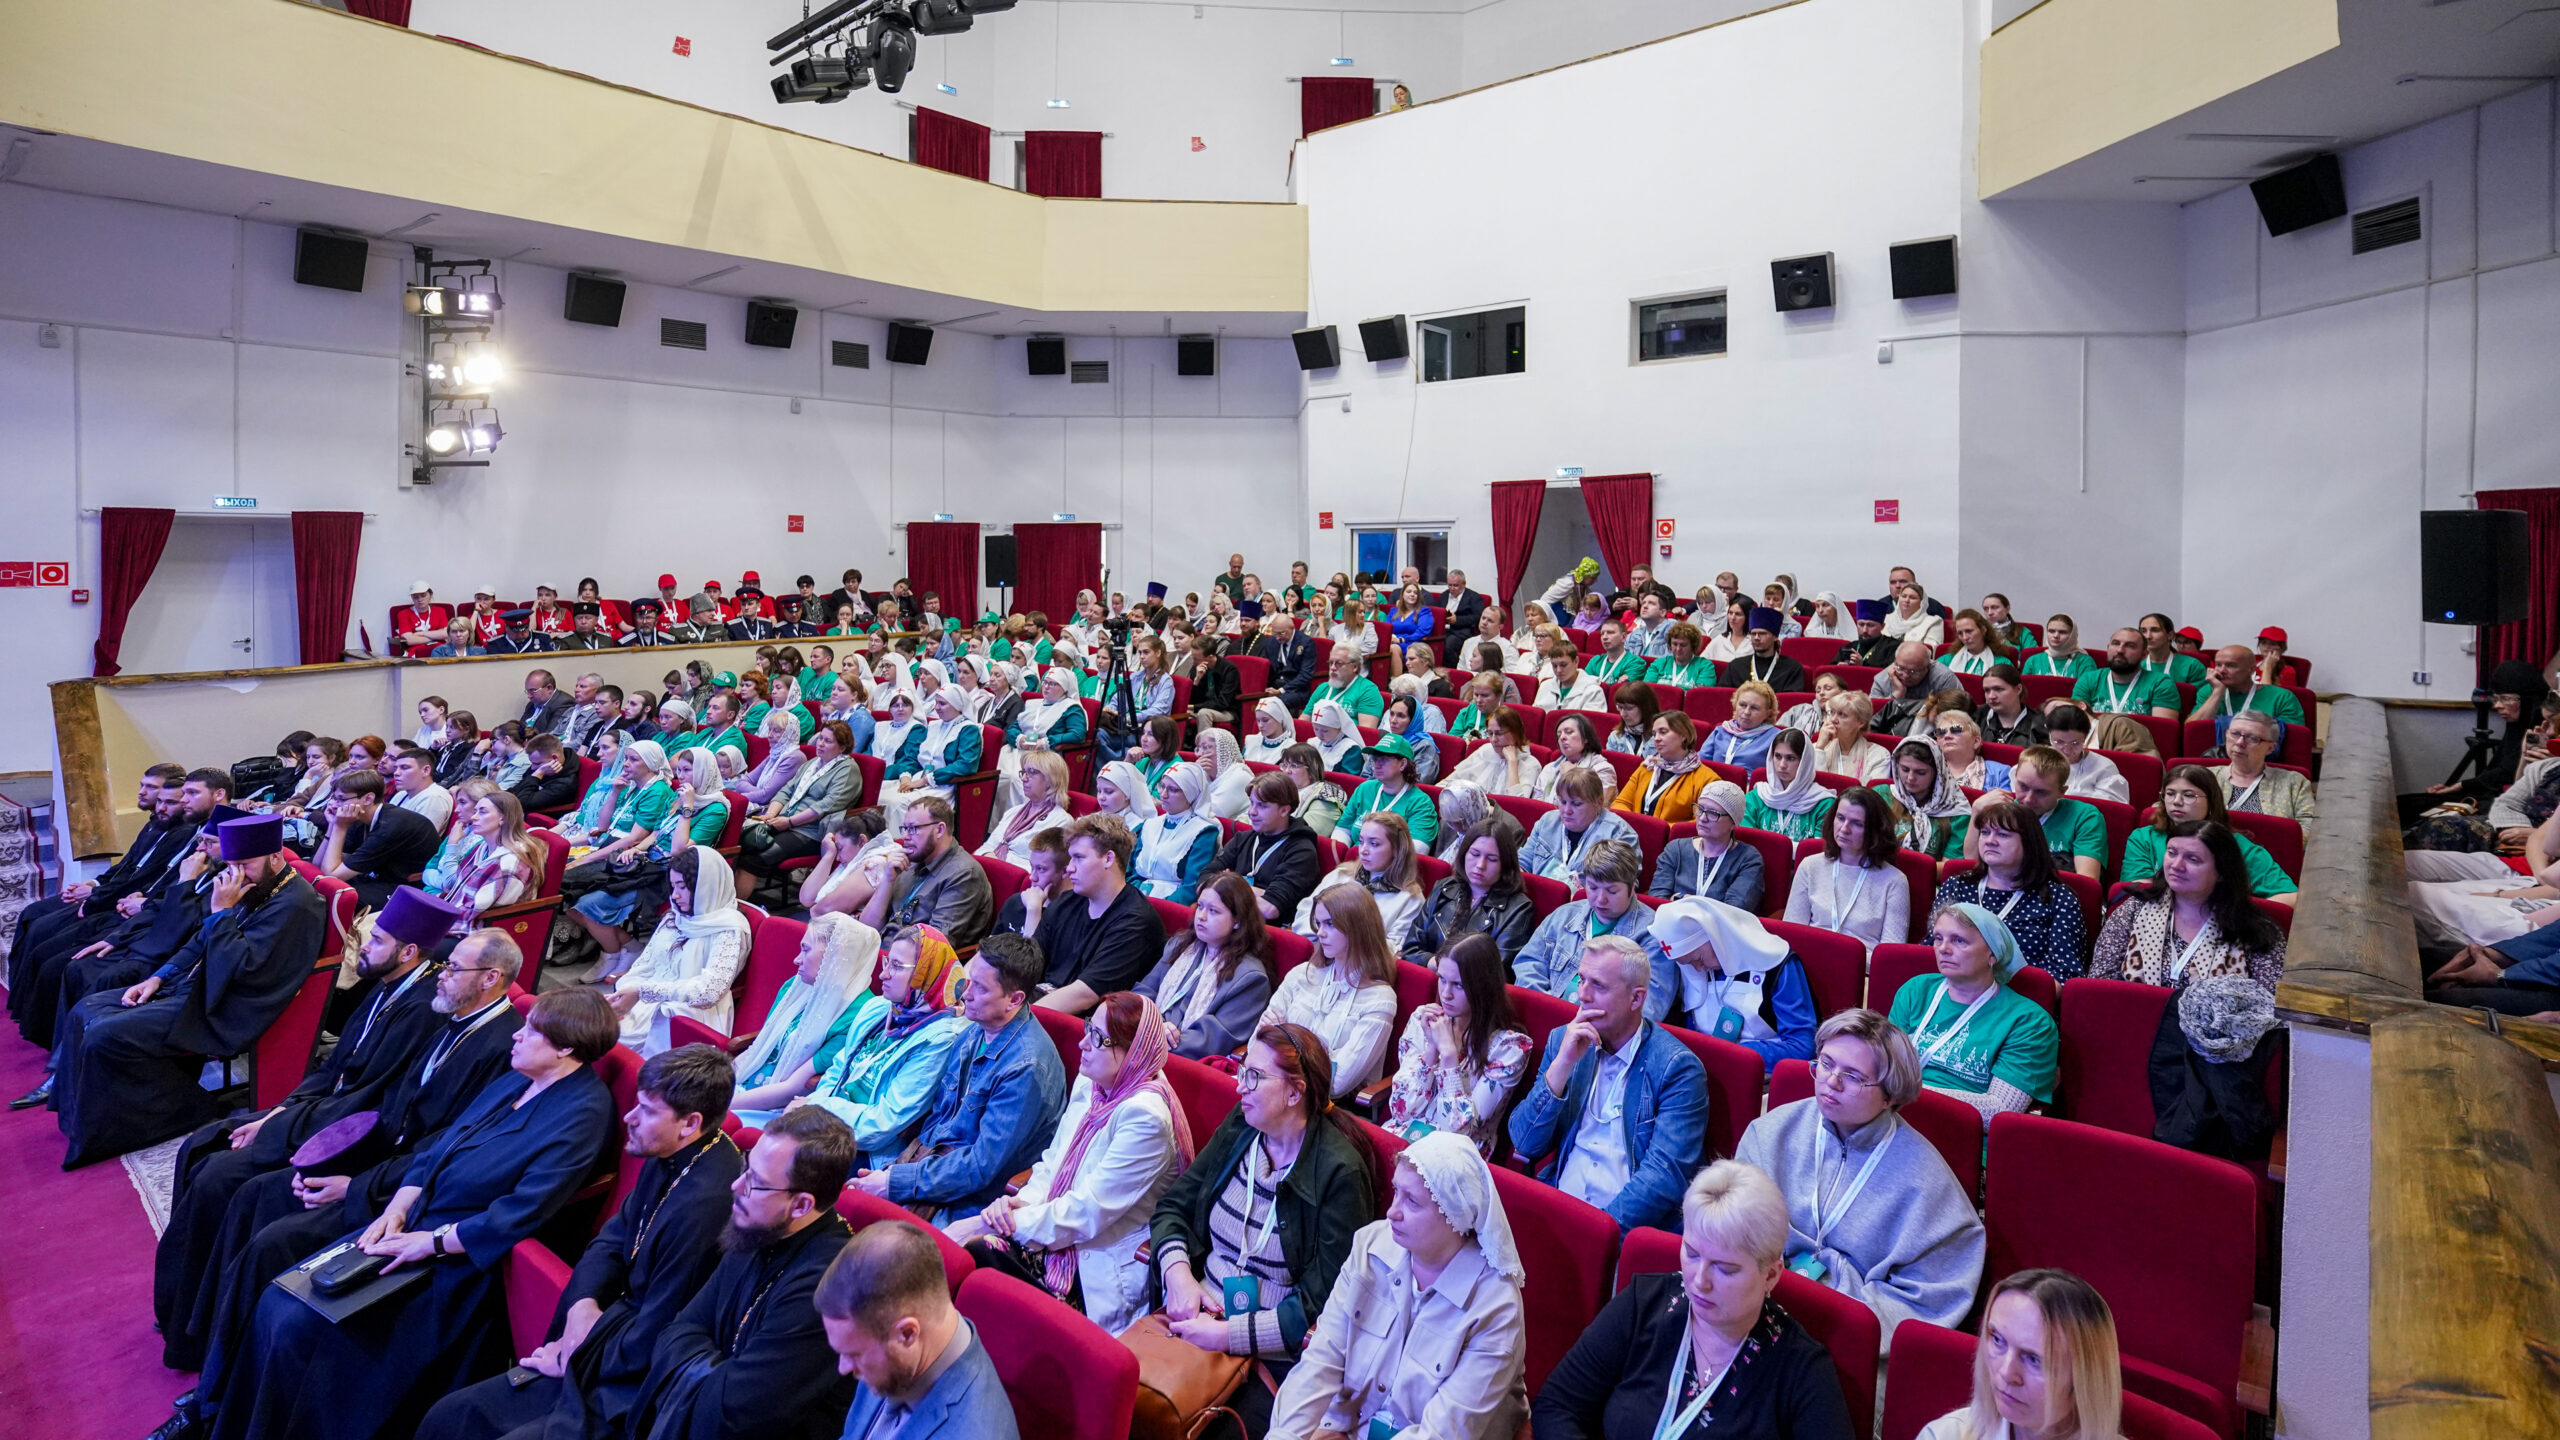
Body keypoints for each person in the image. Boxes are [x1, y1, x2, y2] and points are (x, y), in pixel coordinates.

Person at [193, 988, 622, 1440]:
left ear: (565, 1048)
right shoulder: (517, 1080)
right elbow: (436, 1151)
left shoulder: (583, 1114)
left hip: (460, 1261)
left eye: (531, 1031)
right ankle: (220, 1419)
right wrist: (396, 1209)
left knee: (300, 1328)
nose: (517, 1035)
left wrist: (430, 1242)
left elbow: (521, 1212)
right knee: (279, 1298)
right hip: (414, 1220)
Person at [153, 888, 459, 1363]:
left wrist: (278, 1129)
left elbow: (363, 1098)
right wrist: (276, 1113)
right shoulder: (383, 987)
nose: (363, 945)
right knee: (203, 1145)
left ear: (408, 952)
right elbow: (332, 1070)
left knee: (219, 1177)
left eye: (376, 939)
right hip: (317, 1112)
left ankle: (203, 1327)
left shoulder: (420, 1011)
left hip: (343, 1136)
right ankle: (183, 1307)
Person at [413, 1045, 743, 1440]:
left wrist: (577, 1351)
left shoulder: (708, 1204)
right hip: (603, 1330)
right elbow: (611, 1240)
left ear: (690, 1123)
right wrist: (581, 1307)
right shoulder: (672, 1150)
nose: (629, 1117)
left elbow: (661, 1323)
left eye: (646, 1110)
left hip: (628, 1377)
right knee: (450, 1415)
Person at [45, 815, 329, 1167]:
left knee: (107, 1035)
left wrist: (221, 912)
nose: (237, 874)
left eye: (245, 865)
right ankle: (77, 1119)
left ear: (274, 857)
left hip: (230, 1006)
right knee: (87, 1007)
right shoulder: (256, 885)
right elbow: (199, 940)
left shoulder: (297, 904)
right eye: (232, 865)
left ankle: (185, 1110)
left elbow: (245, 968)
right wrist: (159, 977)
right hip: (199, 986)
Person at [1148, 1023, 1373, 1437]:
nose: (1239, 1087)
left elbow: (1321, 1303)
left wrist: (1225, 1335)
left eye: (1254, 1076)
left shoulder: (1339, 1171)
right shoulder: (1243, 1125)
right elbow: (1173, 1208)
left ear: (1295, 1092)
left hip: (1271, 1351)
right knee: (1123, 1402)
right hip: (1194, 1312)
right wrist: (1178, 1277)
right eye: (1242, 1071)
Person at [1533, 1159, 1859, 1440]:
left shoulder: (1801, 1369)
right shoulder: (1644, 1303)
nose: (1699, 1281)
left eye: (1725, 1268)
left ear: (1771, 1275)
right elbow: (1557, 1405)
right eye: (1691, 1253)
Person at [948, 991, 1196, 1335]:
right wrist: (1020, 1204)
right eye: (1088, 1029)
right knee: (971, 1258)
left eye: (1099, 1038)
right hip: (1056, 1223)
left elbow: (1087, 1212)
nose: (1083, 1044)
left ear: (1133, 1053)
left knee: (980, 1255)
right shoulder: (1095, 1082)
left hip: (1094, 1259)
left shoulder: (1146, 1117)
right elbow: (1055, 1162)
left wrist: (1000, 1223)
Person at [1732, 1008, 1986, 1337]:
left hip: (1851, 1332)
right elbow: (1735, 1230)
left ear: (1889, 1096)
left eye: (1853, 1076)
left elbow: (1926, 1299)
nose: (1831, 1082)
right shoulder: (1772, 1133)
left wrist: (1838, 1327)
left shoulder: (1927, 1184)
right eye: (1826, 1063)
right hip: (1758, 1303)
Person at [1268, 1130, 1530, 1440]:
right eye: (1396, 1191)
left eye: (1412, 1202)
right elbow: (1322, 1359)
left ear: (1455, 1216)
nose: (1392, 1212)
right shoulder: (1371, 1245)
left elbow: (1445, 1432)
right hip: (1350, 1423)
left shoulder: (1495, 1306)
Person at [851, 934, 1069, 1223]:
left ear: (1014, 999)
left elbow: (982, 1167)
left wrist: (897, 1182)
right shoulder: (972, 1032)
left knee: (870, 1232)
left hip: (977, 1199)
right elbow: (938, 1121)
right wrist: (897, 1170)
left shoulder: (1027, 1068)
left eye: (980, 988)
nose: (966, 994)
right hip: (935, 1167)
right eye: (969, 980)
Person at [1508, 935, 1707, 1232]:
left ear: (1636, 999)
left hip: (1624, 1229)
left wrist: (1597, 1232)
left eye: (1598, 986)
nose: (1582, 995)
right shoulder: (1564, 1041)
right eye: (1581, 980)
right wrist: (1562, 1066)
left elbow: (1663, 1178)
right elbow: (1524, 1143)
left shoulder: (1676, 1068)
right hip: (1559, 1205)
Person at [824, 1221, 1021, 1440]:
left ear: (907, 1334)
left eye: (854, 1354)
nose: (843, 1368)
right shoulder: (891, 1336)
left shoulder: (973, 1432)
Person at [795, 925, 971, 1160]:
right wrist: (814, 1108)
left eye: (897, 966)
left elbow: (881, 1126)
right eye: (887, 962)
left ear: (926, 973)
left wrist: (816, 1109)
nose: (883, 975)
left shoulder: (941, 1040)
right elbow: (838, 1071)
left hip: (867, 1153)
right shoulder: (878, 1008)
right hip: (826, 1128)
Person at [1887, 906, 2062, 1120]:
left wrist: (1906, 1093)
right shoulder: (1916, 990)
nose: (1943, 948)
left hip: (1960, 1130)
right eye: (1938, 938)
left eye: (1959, 940)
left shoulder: (2030, 1022)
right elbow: (1886, 1068)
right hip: (1892, 1115)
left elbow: (1998, 1111)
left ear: (1993, 954)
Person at [1918, 1269, 2127, 1440]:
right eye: (1997, 1340)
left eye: (2034, 1359)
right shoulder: (1944, 1436)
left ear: (2085, 1379)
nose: (2006, 1373)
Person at [2094, 820, 2289, 993]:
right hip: (2133, 1019)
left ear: (2222, 872)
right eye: (2172, 853)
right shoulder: (2133, 910)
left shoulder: (2255, 930)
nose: (2176, 865)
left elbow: (2270, 1008)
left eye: (2193, 859)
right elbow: (2099, 985)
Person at [728, 913, 882, 1126]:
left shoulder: (857, 1015)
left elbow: (793, 1088)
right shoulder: (796, 986)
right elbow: (761, 1045)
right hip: (748, 1085)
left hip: (785, 1109)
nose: (797, 959)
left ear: (835, 953)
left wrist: (722, 1104)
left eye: (806, 950)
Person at [1383, 934, 1532, 1153]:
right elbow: (1401, 1111)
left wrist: (1448, 1056)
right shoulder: (1424, 1019)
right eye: (1442, 979)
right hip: (1403, 1139)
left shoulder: (1510, 1048)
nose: (1446, 994)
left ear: (1484, 987)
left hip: (1454, 1157)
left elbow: (1458, 1132)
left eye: (1458, 985)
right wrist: (1431, 1051)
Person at [1645, 897, 1818, 1070]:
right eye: (1688, 964)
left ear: (1715, 937)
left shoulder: (1777, 964)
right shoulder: (1692, 966)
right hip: (1707, 1064)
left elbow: (1802, 1047)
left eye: (1698, 959)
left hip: (1760, 1068)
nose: (1697, 969)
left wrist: (1731, 1053)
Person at [608, 846, 749, 1055]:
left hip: (689, 1012)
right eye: (673, 886)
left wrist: (641, 991)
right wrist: (623, 994)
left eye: (682, 887)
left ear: (706, 886)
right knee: (591, 1023)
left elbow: (708, 992)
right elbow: (644, 965)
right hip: (650, 1000)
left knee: (606, 1039)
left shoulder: (729, 928)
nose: (674, 896)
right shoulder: (674, 917)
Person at [1266, 884, 1402, 1093]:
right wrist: (1320, 1057)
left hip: (1325, 1104)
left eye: (1330, 924)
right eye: (1319, 924)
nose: (1320, 933)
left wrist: (1281, 1040)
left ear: (1357, 927)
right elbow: (1258, 1044)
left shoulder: (1379, 999)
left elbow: (1336, 1083)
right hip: (1274, 1088)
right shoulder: (1303, 974)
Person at [1935, 798, 2089, 979]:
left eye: (2003, 835)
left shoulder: (2058, 898)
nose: (1990, 841)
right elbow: (1931, 948)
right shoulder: (1957, 886)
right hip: (1952, 986)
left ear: (2029, 843)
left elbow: (2064, 974)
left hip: (2021, 994)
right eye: (1985, 832)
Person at [1032, 813, 1169, 1016]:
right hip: (1044, 1004)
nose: (1069, 868)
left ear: (1108, 859)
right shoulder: (1067, 901)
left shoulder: (1136, 921)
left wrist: (1016, 1018)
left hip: (1081, 1024)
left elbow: (1085, 995)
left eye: (1079, 857)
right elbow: (1029, 960)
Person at [1135, 871, 1280, 1058]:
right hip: (1145, 1037)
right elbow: (1144, 992)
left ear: (1237, 921)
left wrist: (1153, 1037)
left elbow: (1211, 1041)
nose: (1201, 916)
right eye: (1200, 906)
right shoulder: (1179, 945)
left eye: (1213, 911)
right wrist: (1148, 1025)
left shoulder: (1250, 978)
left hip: (1179, 1058)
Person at [2122, 765, 2299, 902]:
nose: (2176, 801)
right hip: (2157, 925)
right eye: (2170, 793)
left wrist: (2240, 913)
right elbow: (2137, 891)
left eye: (2189, 795)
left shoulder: (2238, 846)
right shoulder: (2144, 838)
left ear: (2211, 802)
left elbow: (2290, 897)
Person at [1514, 839, 1656, 1000]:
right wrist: (1547, 1006)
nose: (1600, 899)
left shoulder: (1651, 934)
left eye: (1612, 891)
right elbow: (1528, 963)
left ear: (1632, 889)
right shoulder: (1564, 915)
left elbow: (1649, 1003)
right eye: (1593, 887)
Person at [858, 796, 996, 950]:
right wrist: (887, 880)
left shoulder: (964, 874)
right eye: (905, 828)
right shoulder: (911, 862)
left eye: (913, 828)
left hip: (907, 960)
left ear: (940, 830)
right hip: (879, 950)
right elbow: (866, 927)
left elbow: (934, 947)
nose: (905, 836)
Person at [1785, 787, 1912, 950]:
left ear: (1875, 830)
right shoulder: (1810, 866)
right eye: (1840, 818)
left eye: (1857, 823)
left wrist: (1850, 959)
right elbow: (1791, 935)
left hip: (1864, 965)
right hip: (1810, 960)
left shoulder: (1895, 881)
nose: (1844, 829)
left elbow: (1890, 954)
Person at [1402, 819, 1537, 964]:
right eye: (1475, 854)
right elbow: (1410, 950)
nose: (1480, 865)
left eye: (1492, 859)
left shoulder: (1518, 909)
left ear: (1505, 864)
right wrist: (1435, 964)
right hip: (1428, 974)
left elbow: (1497, 969)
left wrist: (1445, 967)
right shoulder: (1444, 888)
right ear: (1464, 853)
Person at [1293, 810, 1429, 951]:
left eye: (1374, 844)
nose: (1363, 850)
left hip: (1362, 962)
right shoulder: (1341, 875)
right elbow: (1305, 913)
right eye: (1362, 841)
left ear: (1397, 849)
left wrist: (1342, 944)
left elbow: (1393, 948)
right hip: (1317, 951)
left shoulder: (1411, 899)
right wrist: (1324, 937)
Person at [313, 769, 446, 911]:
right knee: (316, 881)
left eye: (341, 799)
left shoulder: (392, 825)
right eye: (334, 798)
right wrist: (332, 825)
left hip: (410, 889)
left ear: (368, 799)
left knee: (335, 894)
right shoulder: (358, 817)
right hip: (380, 878)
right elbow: (318, 864)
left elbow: (332, 875)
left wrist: (339, 827)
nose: (334, 805)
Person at [1204, 771, 1326, 924]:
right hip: (1230, 921)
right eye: (1252, 803)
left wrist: (1229, 883)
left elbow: (1270, 908)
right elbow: (1203, 881)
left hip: (1267, 931)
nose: (1251, 812)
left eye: (1262, 806)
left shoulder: (1301, 851)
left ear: (1284, 810)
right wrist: (1258, 892)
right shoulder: (1243, 838)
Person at [1972, 746, 2108, 881]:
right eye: (2023, 787)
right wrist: (1977, 810)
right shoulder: (2002, 809)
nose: (2028, 799)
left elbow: (2086, 881)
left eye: (2041, 792)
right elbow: (1972, 864)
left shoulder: (2084, 816)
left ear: (2061, 792)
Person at [1522, 766, 1643, 881]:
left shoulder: (1618, 834)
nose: (1567, 810)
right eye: (1563, 802)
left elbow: (1622, 887)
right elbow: (1522, 862)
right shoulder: (1547, 821)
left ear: (1598, 802)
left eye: (1576, 804)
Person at [1135, 761, 1222, 903]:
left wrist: (1156, 907)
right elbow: (1132, 873)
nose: (1163, 795)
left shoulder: (1204, 832)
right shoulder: (1150, 824)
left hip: (1170, 905)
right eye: (1162, 786)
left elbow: (1191, 888)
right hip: (1137, 899)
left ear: (1190, 794)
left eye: (1173, 790)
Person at [1339, 733, 1440, 851]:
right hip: (1354, 858)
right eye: (1375, 759)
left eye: (1383, 759)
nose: (1377, 765)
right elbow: (1342, 830)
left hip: (1389, 863)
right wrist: (1340, 855)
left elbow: (1416, 851)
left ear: (1402, 764)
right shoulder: (1364, 789)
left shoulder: (1420, 803)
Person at [977, 749, 1073, 871]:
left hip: (1016, 878)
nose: (1023, 778)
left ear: (1051, 780)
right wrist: (988, 857)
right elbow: (988, 846)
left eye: (1031, 772)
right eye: (1023, 772)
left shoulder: (1061, 821)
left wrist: (997, 866)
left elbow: (1042, 870)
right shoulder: (1014, 811)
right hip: (990, 869)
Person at [2216, 708, 2317, 821]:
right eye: (2235, 734)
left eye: (2252, 738)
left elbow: (2308, 826)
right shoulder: (2206, 776)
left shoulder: (2295, 783)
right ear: (2226, 734)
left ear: (2270, 748)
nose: (2239, 742)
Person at [1614, 710, 1711, 824]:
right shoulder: (1648, 766)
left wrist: (1659, 830)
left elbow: (1702, 822)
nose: (1656, 738)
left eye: (1663, 732)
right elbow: (1620, 803)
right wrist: (1635, 824)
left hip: (1671, 835)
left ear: (1684, 735)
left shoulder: (1707, 779)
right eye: (1654, 734)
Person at [1744, 727, 1839, 843]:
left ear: (1805, 761)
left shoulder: (1824, 804)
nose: (1782, 765)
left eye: (1790, 758)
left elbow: (1819, 850)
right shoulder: (1756, 797)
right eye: (1778, 756)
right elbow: (1746, 843)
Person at [2073, 628, 2182, 719]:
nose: (2120, 650)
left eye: (2130, 646)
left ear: (2144, 655)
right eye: (2115, 643)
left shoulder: (2161, 683)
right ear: (2108, 648)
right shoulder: (2089, 679)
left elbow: (2162, 731)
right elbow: (2076, 723)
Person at [1812, 691, 1894, 785]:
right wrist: (1819, 749)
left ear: (1861, 722)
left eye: (1842, 714)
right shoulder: (1816, 749)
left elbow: (1872, 793)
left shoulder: (1879, 756)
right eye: (1832, 712)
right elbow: (1813, 786)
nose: (1833, 719)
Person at [1700, 679, 1781, 773]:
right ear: (1735, 705)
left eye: (1754, 708)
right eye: (1742, 705)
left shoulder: (1776, 738)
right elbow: (1700, 764)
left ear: (1768, 713)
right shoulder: (1721, 731)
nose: (1746, 712)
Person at [1719, 608, 1809, 690]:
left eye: (1762, 634)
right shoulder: (1736, 666)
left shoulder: (1792, 668)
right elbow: (1723, 697)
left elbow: (1792, 701)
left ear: (1775, 637)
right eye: (1753, 634)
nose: (1756, 638)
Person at [1280, 743, 1349, 839]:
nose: (1287, 771)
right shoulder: (1279, 788)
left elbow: (1305, 835)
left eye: (1294, 766)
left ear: (1312, 769)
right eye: (1284, 765)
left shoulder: (1326, 796)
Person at [1976, 663, 2046, 748]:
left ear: (2018, 689)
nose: (1991, 696)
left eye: (1998, 689)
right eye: (1987, 690)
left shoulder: (2040, 725)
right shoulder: (1975, 716)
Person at [1198, 726, 1255, 819]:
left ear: (1223, 751)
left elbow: (1211, 813)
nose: (1199, 754)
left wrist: (1193, 776)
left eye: (1206, 747)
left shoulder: (1239, 777)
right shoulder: (1204, 773)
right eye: (1198, 748)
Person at [1647, 621, 1717, 688]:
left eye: (1683, 645)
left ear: (1693, 646)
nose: (1678, 649)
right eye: (1674, 644)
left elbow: (1699, 694)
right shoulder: (1659, 664)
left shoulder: (1705, 666)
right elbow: (1647, 691)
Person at [1310, 698, 1367, 776]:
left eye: (1325, 731)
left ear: (1339, 728)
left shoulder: (1351, 749)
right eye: (1316, 729)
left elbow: (1347, 779)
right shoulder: (1313, 742)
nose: (1319, 735)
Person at [1834, 598, 1898, 668]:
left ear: (1882, 626)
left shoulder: (1893, 647)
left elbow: (1889, 672)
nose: (1865, 630)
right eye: (1861, 624)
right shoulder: (1849, 647)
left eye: (1870, 625)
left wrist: (1862, 665)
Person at [1244, 694, 1298, 765]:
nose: (1260, 725)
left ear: (1279, 719)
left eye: (1265, 720)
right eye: (1258, 720)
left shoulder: (1291, 747)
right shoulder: (1250, 741)